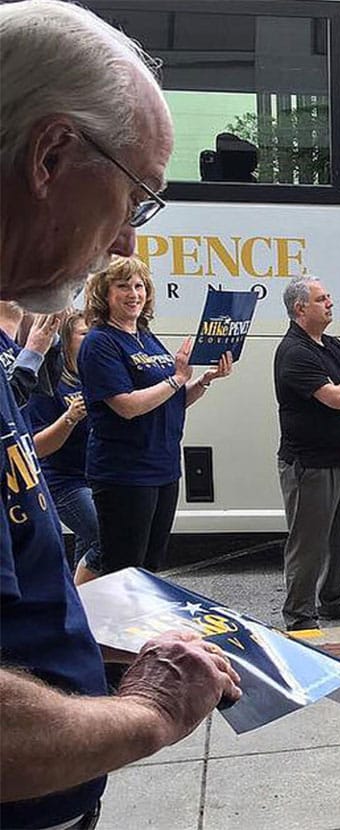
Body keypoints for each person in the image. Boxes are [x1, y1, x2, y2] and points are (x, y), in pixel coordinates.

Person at [0, 3, 240, 826]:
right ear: (52, 154)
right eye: (137, 198)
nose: (125, 247)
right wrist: (151, 713)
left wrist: (84, 643)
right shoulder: (95, 341)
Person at [78, 257, 232, 577]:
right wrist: (176, 378)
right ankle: (113, 627)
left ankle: (146, 628)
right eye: (123, 286)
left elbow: (172, 401)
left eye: (139, 286)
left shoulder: (145, 335)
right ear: (104, 294)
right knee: (124, 572)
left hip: (163, 468)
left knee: (150, 568)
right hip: (125, 473)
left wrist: (203, 381)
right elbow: (127, 406)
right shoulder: (100, 342)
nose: (134, 293)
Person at [274, 276, 340, 631]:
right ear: (300, 308)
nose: (330, 302)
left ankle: (332, 600)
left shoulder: (330, 345)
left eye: (329, 297)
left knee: (337, 536)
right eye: (322, 298)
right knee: (308, 544)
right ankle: (300, 616)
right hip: (309, 465)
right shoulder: (295, 352)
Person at [26, 312, 100, 578]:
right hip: (64, 482)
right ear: (67, 341)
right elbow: (36, 447)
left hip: (97, 478)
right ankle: (76, 607)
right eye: (84, 334)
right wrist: (69, 418)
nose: (92, 340)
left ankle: (85, 609)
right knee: (106, 538)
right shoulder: (51, 384)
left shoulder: (97, 376)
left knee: (88, 546)